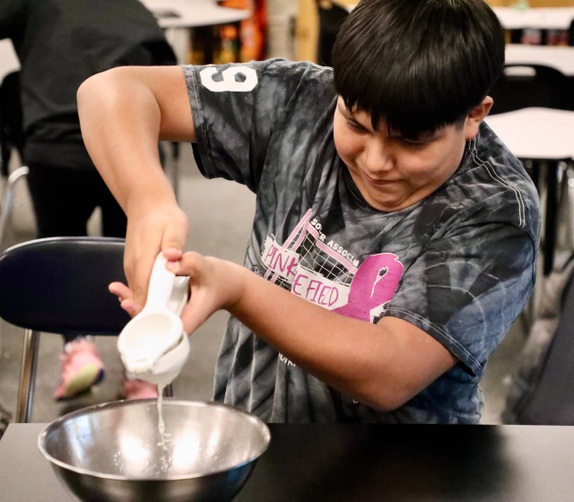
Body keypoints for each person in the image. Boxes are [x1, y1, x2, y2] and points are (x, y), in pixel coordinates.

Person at [77, 0, 541, 423]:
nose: (376, 161)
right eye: (355, 124)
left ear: (475, 115)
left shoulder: (495, 211)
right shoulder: (301, 99)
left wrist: (238, 291)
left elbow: (389, 371)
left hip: (400, 473)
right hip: (254, 433)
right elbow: (112, 91)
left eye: (411, 141)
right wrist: (148, 201)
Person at [0, 0, 177, 400]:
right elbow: (174, 80)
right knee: (137, 257)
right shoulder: (135, 9)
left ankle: (78, 349)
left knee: (59, 242)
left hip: (54, 146)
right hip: (129, 151)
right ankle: (141, 369)